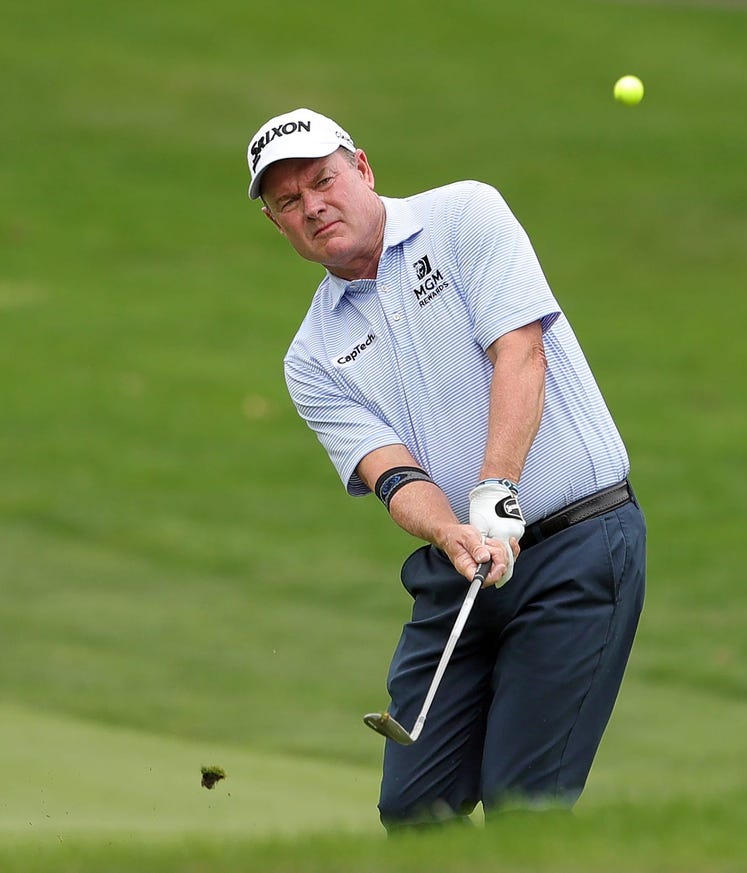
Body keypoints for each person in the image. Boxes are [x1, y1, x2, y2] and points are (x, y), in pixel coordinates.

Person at [245, 107, 646, 829]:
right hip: (458, 573)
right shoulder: (311, 356)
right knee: (413, 807)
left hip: (577, 549)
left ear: (361, 169)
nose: (313, 205)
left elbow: (521, 352)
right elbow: (392, 475)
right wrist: (451, 532)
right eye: (288, 201)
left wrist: (496, 490)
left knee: (525, 803)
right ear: (277, 224)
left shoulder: (463, 216)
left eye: (323, 180)